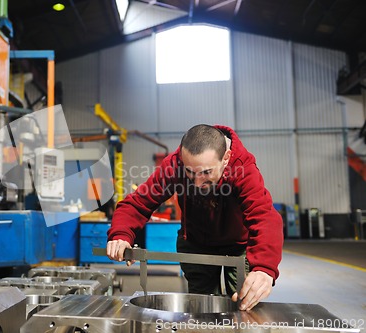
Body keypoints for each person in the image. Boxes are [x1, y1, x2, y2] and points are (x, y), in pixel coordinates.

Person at [106, 124, 283, 311]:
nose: (197, 183)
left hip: (239, 245)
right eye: (190, 173)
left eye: (206, 172)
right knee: (201, 310)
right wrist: (120, 234)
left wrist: (264, 268)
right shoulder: (175, 165)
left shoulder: (243, 168)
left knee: (244, 304)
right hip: (196, 243)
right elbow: (138, 202)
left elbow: (264, 217)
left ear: (226, 158)